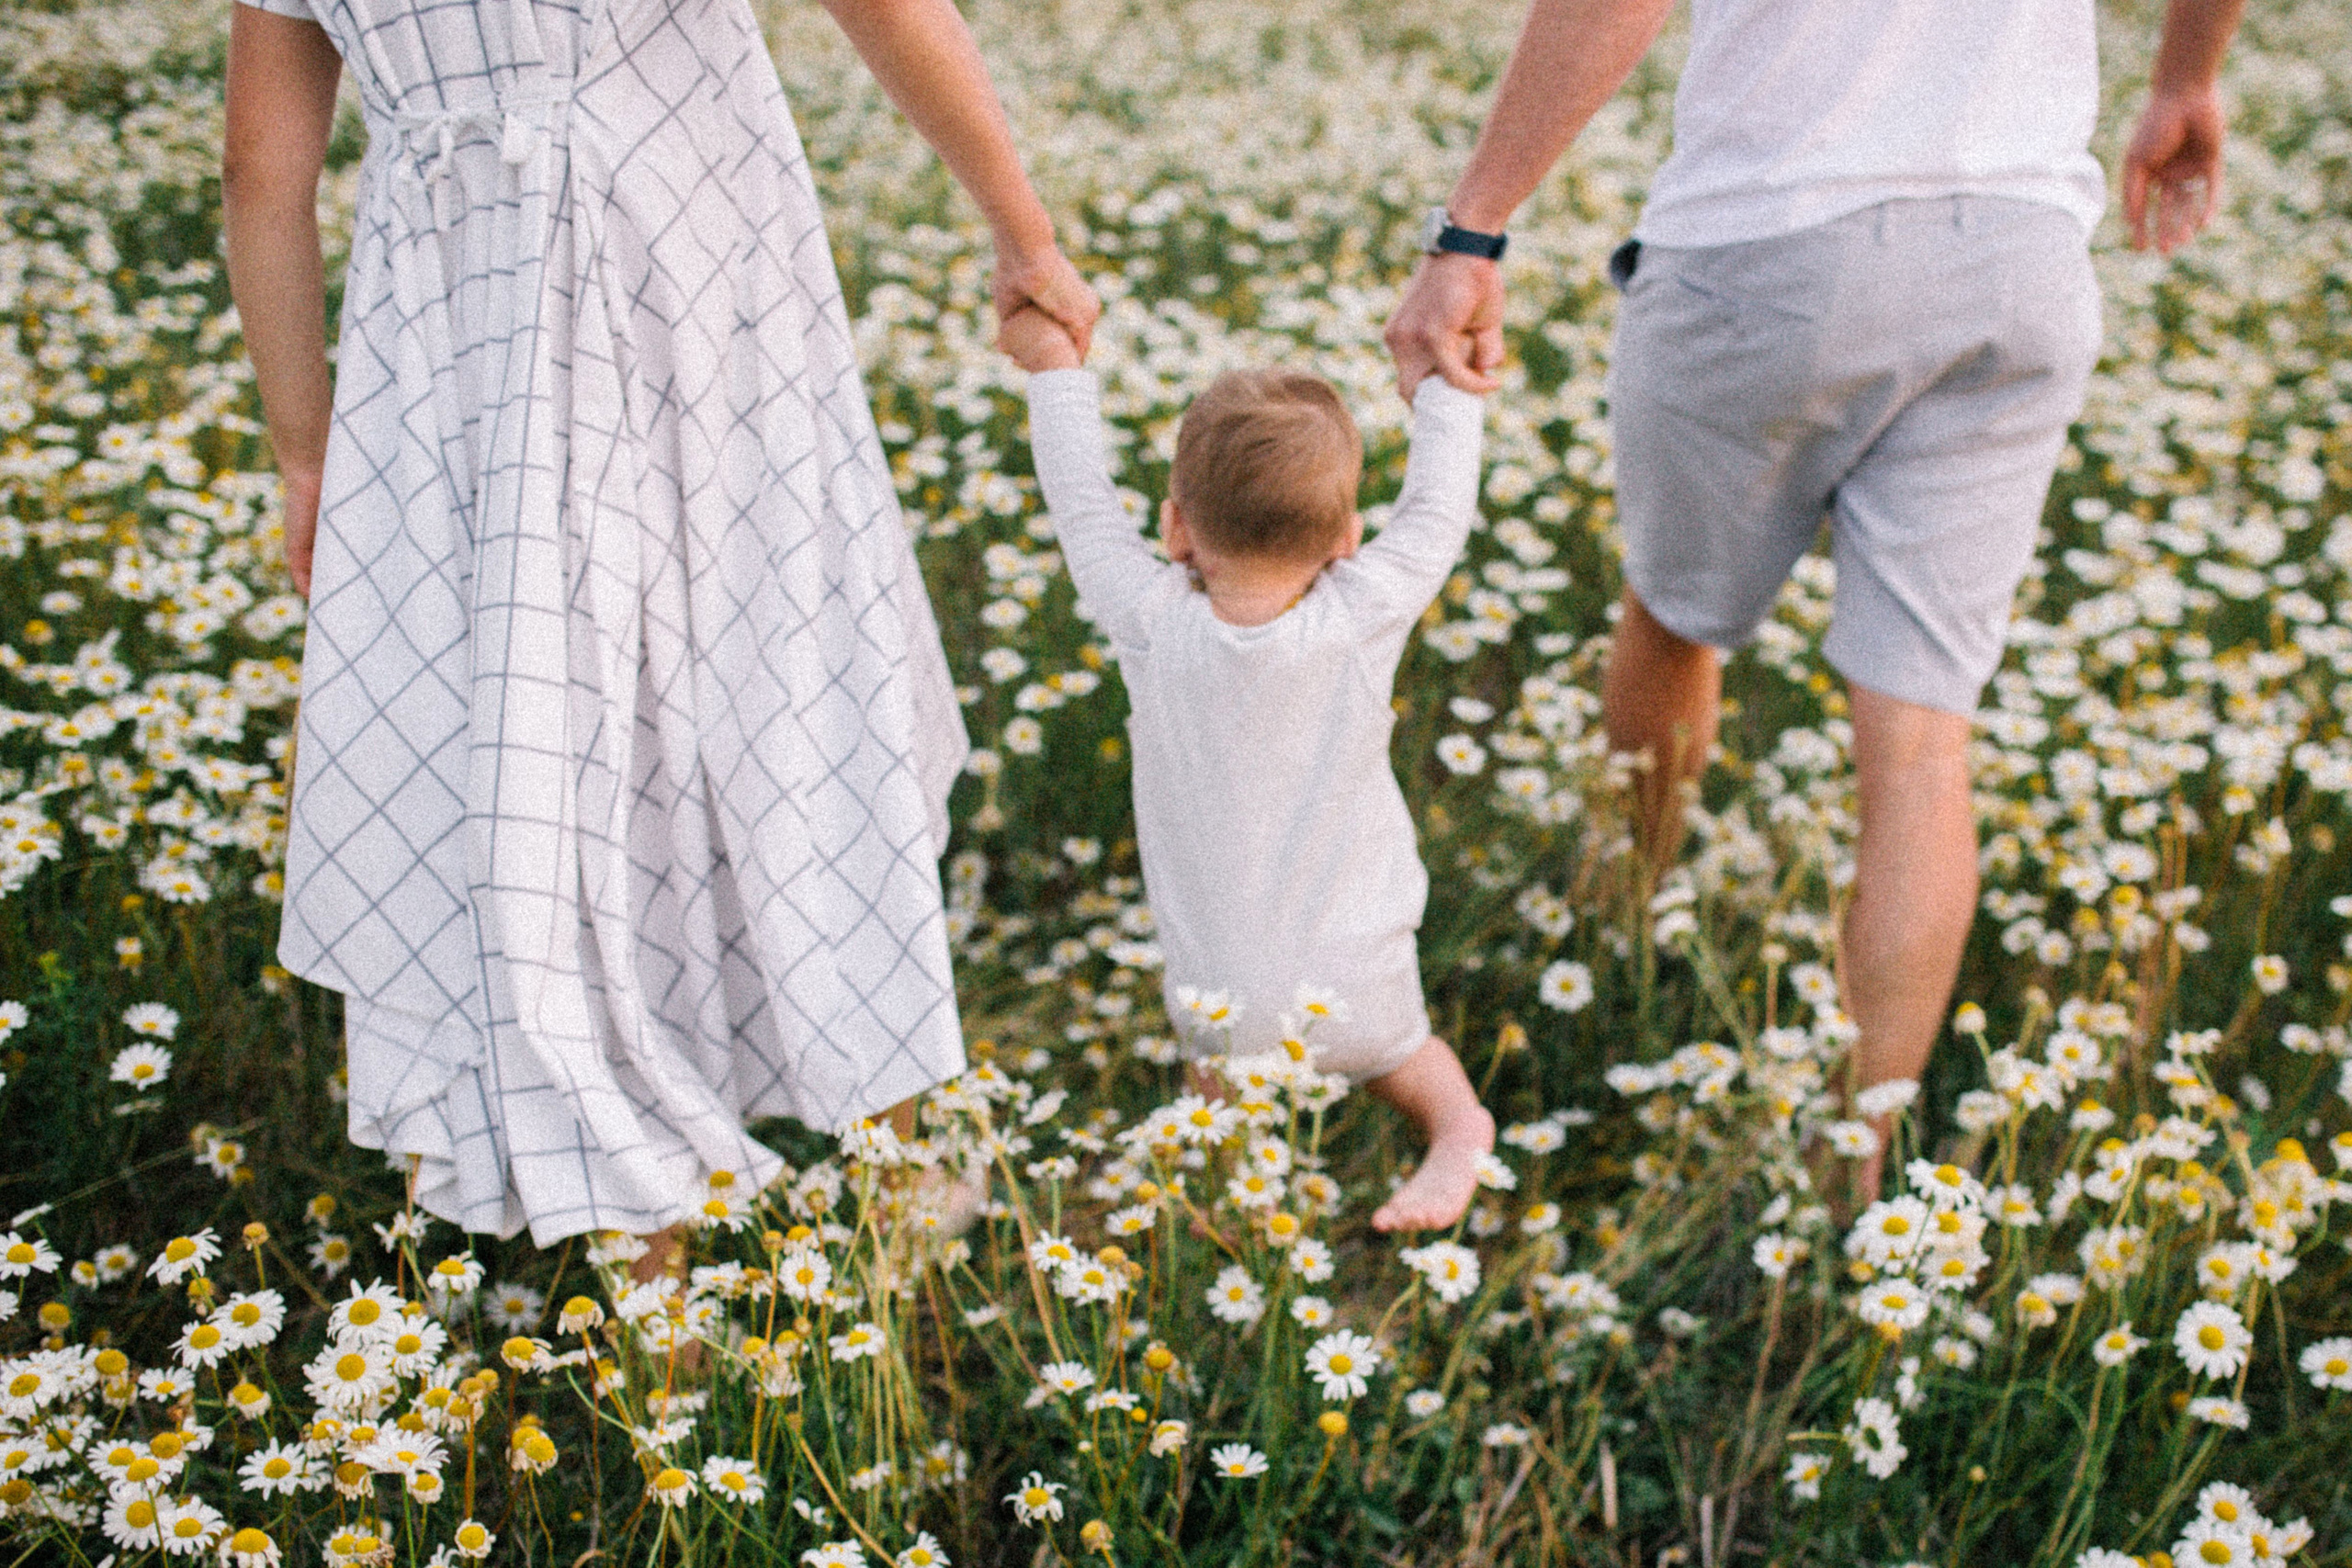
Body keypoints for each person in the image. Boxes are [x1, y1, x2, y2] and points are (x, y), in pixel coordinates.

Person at [221, 0, 1097, 1247]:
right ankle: (891, 1144)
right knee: (781, 655)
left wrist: (308, 450)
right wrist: (1026, 235)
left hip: (459, 339)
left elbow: (263, 171)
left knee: (533, 721)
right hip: (692, 291)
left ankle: (636, 1225)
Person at [1384, 0, 2245, 1196]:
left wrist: (1471, 230)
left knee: (1673, 612)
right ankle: (1852, 1177)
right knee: (1921, 743)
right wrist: (2185, 79)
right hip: (2021, 242)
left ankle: (1620, 935)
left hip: (1772, 231)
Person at [999, 308, 1496, 1231]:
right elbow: (1437, 514)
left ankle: (1222, 1200)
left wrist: (1056, 369)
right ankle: (1457, 1126)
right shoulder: (1361, 615)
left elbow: (1079, 503)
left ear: (1176, 526)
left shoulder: (1148, 617)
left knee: (1218, 1078)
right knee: (1402, 1053)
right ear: (1346, 534)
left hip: (1220, 985)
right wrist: (1444, 392)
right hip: (1361, 952)